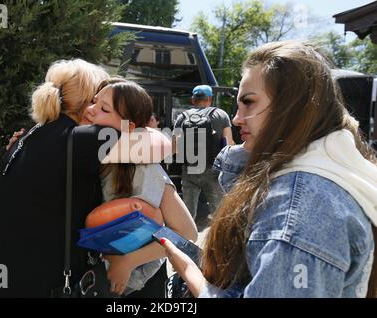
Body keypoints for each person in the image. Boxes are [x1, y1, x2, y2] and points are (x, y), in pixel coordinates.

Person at [160, 41, 377, 298]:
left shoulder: (300, 206)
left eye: (249, 102)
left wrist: (189, 272)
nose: (237, 118)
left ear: (293, 106)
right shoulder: (330, 171)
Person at [0, 59, 172, 297]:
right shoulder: (83, 139)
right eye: (97, 99)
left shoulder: (25, 139)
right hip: (43, 283)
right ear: (89, 101)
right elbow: (162, 145)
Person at [83, 78, 197, 296]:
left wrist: (127, 262)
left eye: (103, 108)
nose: (90, 110)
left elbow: (187, 234)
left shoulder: (144, 167)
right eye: (93, 102)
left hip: (142, 286)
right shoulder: (87, 155)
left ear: (129, 127)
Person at [173, 84, 234, 220]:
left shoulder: (181, 117)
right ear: (210, 99)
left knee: (188, 214)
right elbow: (229, 144)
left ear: (193, 100)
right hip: (213, 170)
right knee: (218, 213)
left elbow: (174, 147)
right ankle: (218, 240)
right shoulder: (220, 114)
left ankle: (186, 239)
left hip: (189, 169)